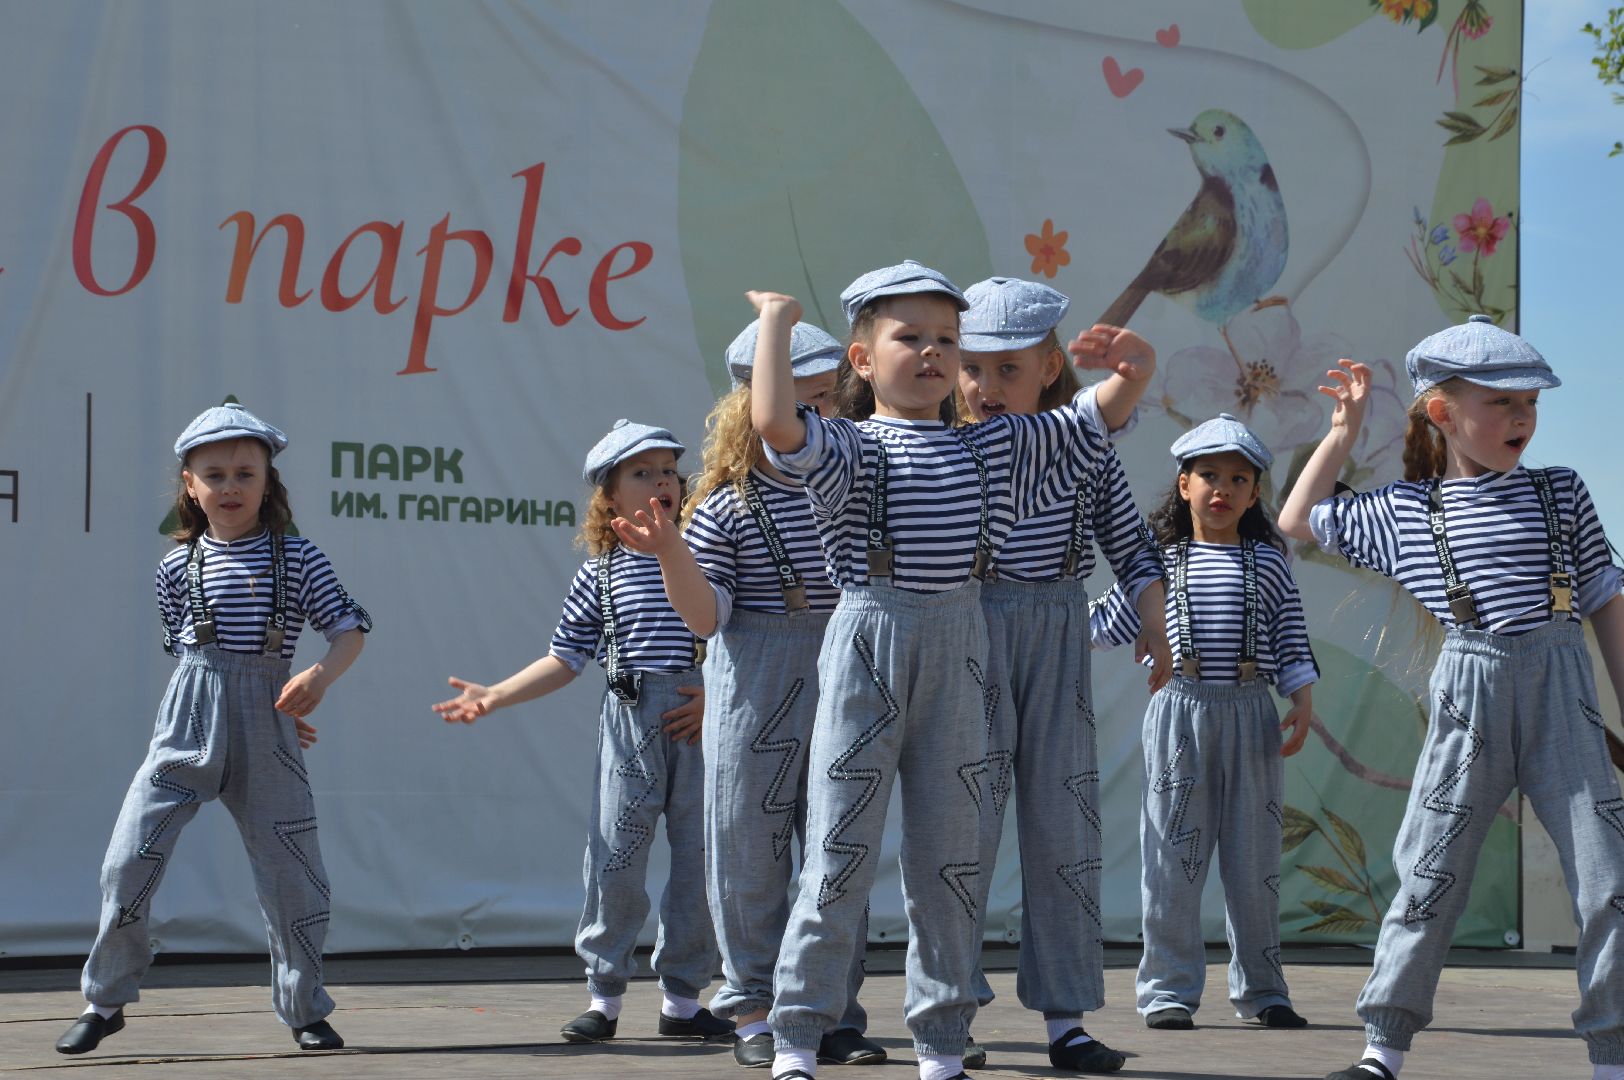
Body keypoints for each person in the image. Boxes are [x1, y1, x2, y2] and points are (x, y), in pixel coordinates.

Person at [749, 260, 1155, 1080]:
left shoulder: (995, 446)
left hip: (963, 643)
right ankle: (797, 1034)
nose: (934, 354)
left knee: (951, 854)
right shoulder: (850, 445)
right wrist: (778, 324)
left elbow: (1096, 417)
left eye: (947, 339)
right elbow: (776, 423)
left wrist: (1135, 367)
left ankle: (941, 1041)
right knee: (841, 846)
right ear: (862, 361)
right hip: (872, 637)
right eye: (911, 338)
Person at [1276, 317, 1624, 1080]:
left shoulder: (1562, 494)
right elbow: (1297, 519)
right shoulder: (1407, 511)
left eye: (1530, 402)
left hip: (1562, 692)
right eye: (1501, 403)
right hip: (1471, 694)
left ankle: (1612, 1055)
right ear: (1443, 413)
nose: (1523, 417)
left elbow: (1605, 600)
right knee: (1430, 872)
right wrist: (1342, 435)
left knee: (1608, 878)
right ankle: (1383, 1051)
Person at [56, 403, 370, 1055]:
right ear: (191, 487)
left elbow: (348, 629)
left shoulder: (299, 556)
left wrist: (310, 684)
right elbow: (189, 656)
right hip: (190, 719)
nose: (230, 487)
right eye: (215, 474)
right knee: (129, 858)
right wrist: (225, 713)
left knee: (294, 872)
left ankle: (305, 1007)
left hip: (268, 727)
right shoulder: (176, 568)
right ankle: (105, 999)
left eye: (245, 474)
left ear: (267, 484)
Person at [615, 320, 887, 1069]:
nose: (828, 415)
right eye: (811, 401)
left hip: (848, 664)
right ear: (758, 407)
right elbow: (706, 616)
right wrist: (671, 549)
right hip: (758, 675)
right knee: (748, 854)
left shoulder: (860, 486)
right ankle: (757, 1010)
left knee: (839, 848)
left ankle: (831, 1009)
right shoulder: (729, 504)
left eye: (834, 399)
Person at [433, 420, 729, 1046]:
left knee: (702, 864)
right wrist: (496, 694)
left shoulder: (704, 551)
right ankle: (604, 996)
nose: (661, 481)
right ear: (610, 497)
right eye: (641, 473)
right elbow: (564, 657)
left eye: (668, 470)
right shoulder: (602, 573)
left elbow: (736, 633)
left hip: (703, 724)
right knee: (615, 858)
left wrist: (717, 695)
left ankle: (683, 1001)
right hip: (630, 719)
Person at [954, 276, 1171, 1074]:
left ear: (1050, 365)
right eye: (972, 368)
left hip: (1056, 628)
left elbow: (1131, 543)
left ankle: (1065, 1021)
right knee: (960, 831)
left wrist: (1155, 622)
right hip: (967, 628)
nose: (984, 388)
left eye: (1007, 369)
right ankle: (950, 1010)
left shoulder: (1082, 447)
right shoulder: (947, 443)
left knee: (1065, 824)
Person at [1093, 413, 1317, 1034]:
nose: (1223, 489)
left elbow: (1290, 634)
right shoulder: (1154, 564)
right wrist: (1041, 607)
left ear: (1254, 494)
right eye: (1209, 475)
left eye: (1239, 479)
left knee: (1255, 860)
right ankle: (1167, 991)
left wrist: (1300, 699)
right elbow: (1105, 624)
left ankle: (1264, 991)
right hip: (1179, 712)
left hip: (1251, 714)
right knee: (1171, 857)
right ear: (1184, 483)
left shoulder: (1269, 562)